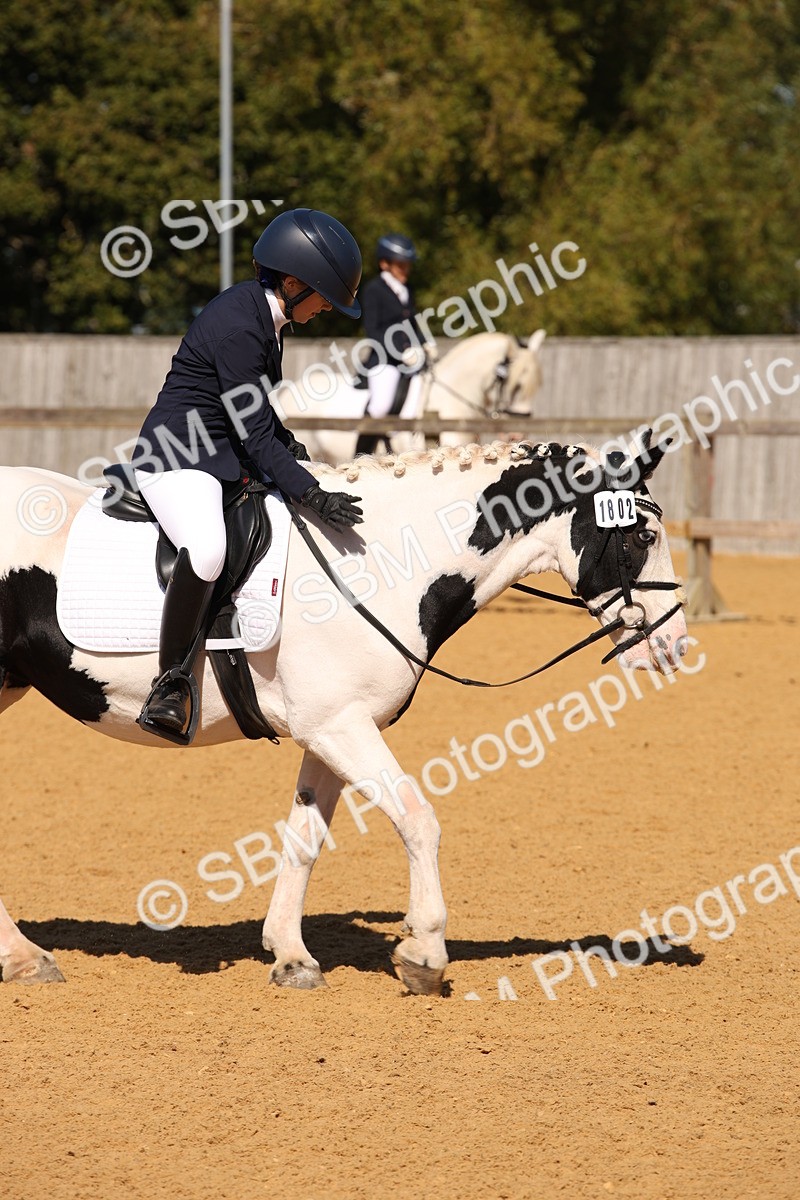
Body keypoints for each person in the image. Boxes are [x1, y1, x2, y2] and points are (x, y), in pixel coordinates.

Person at [130, 207, 364, 741]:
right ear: (291, 283)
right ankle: (169, 686)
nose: (326, 309)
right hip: (175, 458)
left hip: (219, 452)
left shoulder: (266, 319)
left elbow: (258, 418)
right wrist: (310, 492)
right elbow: (253, 432)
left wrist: (297, 453)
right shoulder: (241, 327)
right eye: (323, 297)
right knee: (208, 549)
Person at [355, 233, 422, 456]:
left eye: (408, 265)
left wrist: (424, 344)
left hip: (409, 360)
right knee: (380, 406)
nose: (406, 270)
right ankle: (360, 455)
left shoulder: (407, 290)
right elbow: (373, 330)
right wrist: (400, 352)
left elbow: (412, 324)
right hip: (384, 360)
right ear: (385, 263)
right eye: (401, 265)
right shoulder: (374, 289)